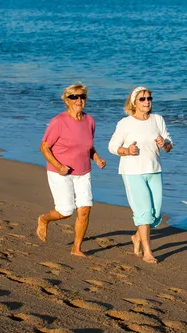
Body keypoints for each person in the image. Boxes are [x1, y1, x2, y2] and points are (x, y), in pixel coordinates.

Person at [36, 83, 106, 256]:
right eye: (74, 97)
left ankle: (76, 248)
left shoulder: (90, 121)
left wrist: (96, 158)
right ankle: (44, 219)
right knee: (65, 211)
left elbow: (87, 145)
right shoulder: (58, 121)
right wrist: (59, 166)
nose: (79, 100)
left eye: (82, 96)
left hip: (84, 172)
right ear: (67, 100)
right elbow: (44, 147)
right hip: (60, 172)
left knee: (85, 209)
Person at [108, 86, 173, 264]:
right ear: (133, 102)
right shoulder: (125, 123)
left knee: (156, 214)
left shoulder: (157, 120)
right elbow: (112, 147)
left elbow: (168, 145)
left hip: (154, 170)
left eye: (149, 98)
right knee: (143, 212)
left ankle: (137, 237)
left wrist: (164, 144)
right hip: (132, 172)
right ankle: (147, 252)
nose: (147, 102)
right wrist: (127, 150)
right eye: (142, 99)